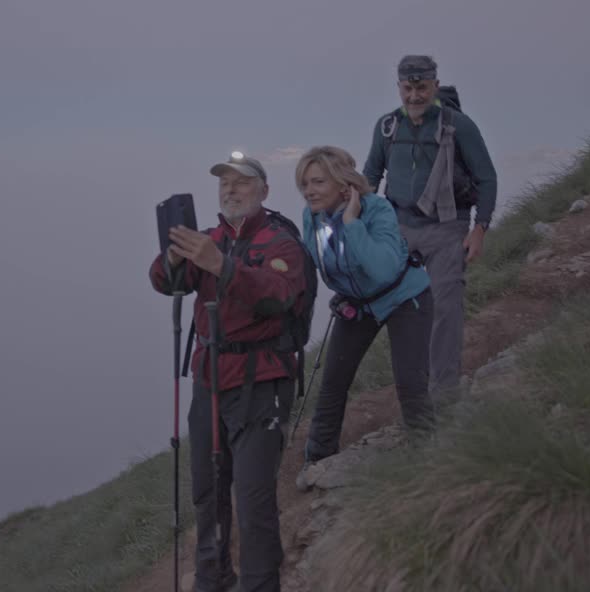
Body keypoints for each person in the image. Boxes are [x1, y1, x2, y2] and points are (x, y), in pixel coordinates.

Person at [148, 152, 309, 592]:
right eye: (225, 183)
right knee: (207, 493)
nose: (230, 190)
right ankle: (211, 581)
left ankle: (260, 585)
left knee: (253, 498)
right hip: (210, 382)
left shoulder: (281, 242)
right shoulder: (209, 237)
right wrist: (176, 258)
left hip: (262, 382)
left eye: (241, 182)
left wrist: (220, 264)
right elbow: (162, 280)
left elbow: (279, 296)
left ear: (264, 191)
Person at [362, 54, 498, 400]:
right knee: (381, 301)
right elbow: (372, 176)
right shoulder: (387, 127)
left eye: (421, 88)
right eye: (407, 88)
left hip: (447, 227)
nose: (414, 96)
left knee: (444, 309)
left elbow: (486, 177)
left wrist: (480, 228)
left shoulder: (459, 126)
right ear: (398, 87)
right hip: (399, 226)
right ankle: (409, 386)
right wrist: (360, 221)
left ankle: (444, 395)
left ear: (435, 86)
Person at [295, 146, 435, 466]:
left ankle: (429, 455)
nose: (308, 191)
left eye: (317, 182)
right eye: (304, 184)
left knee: (410, 381)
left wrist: (352, 223)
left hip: (404, 297)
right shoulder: (311, 217)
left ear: (343, 185)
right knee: (333, 380)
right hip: (359, 304)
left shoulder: (377, 210)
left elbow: (383, 269)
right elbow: (310, 264)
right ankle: (318, 459)